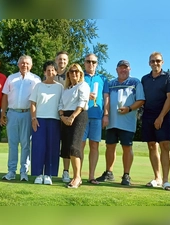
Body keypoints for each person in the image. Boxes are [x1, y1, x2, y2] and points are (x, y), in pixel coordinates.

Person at [96, 60, 145, 186]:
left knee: (127, 147)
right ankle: (109, 172)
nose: (123, 70)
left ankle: (126, 175)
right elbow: (106, 100)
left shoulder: (135, 82)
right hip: (112, 121)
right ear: (116, 69)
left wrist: (129, 108)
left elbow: (141, 100)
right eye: (121, 68)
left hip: (127, 122)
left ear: (130, 69)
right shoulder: (111, 83)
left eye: (126, 68)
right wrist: (105, 115)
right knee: (110, 146)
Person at [1, 55, 41, 182]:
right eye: (22, 63)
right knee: (12, 144)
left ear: (31, 65)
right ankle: (11, 171)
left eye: (27, 63)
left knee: (25, 144)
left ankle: (24, 171)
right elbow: (5, 97)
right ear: (18, 65)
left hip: (27, 113)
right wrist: (3, 112)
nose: (25, 65)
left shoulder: (36, 79)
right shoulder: (11, 78)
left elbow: (38, 100)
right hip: (12, 113)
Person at [141, 52, 170, 190]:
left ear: (162, 62)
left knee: (165, 145)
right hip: (148, 115)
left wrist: (161, 116)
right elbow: (141, 98)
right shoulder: (144, 79)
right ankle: (157, 177)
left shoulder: (168, 76)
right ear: (149, 63)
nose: (155, 63)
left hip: (164, 114)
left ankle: (166, 180)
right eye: (153, 61)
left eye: (158, 61)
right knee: (151, 145)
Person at [30, 60, 63, 185]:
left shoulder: (60, 87)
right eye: (48, 70)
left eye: (53, 70)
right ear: (44, 72)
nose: (50, 72)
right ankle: (38, 174)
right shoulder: (38, 86)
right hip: (39, 120)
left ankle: (49, 174)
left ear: (56, 72)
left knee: (52, 148)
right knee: (38, 147)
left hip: (54, 120)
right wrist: (33, 118)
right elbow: (32, 103)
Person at [59, 63, 90, 188]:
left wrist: (72, 117)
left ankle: (77, 178)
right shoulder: (66, 89)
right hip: (65, 117)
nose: (74, 74)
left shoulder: (83, 85)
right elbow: (60, 104)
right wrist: (62, 117)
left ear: (81, 74)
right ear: (68, 74)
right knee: (67, 148)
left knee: (74, 146)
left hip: (78, 116)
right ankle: (74, 177)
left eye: (76, 71)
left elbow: (82, 103)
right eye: (71, 72)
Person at [82, 53, 109, 185]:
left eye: (93, 62)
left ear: (97, 64)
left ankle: (91, 176)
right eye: (88, 62)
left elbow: (106, 97)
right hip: (82, 116)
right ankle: (77, 175)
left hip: (97, 116)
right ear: (84, 63)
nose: (91, 64)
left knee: (94, 146)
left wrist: (106, 114)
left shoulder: (102, 78)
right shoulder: (80, 77)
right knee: (80, 146)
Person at [54, 50, 72, 183]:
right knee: (53, 144)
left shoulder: (71, 76)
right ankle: (50, 170)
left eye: (64, 60)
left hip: (66, 115)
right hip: (51, 115)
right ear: (56, 60)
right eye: (60, 59)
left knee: (66, 145)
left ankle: (66, 172)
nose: (62, 62)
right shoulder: (50, 74)